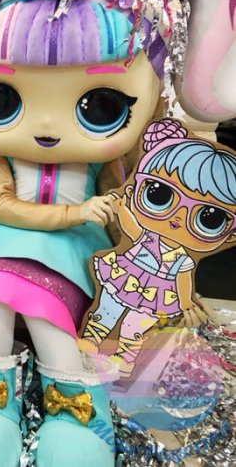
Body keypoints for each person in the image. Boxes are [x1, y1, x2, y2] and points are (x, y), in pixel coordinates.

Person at [0, 0, 236, 466]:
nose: (47, 128)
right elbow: (3, 209)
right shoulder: (5, 161)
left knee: (50, 322)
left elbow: (123, 210)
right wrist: (75, 213)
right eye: (0, 101)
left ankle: (76, 418)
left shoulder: (105, 165)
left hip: (70, 255)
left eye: (102, 107)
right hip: (0, 246)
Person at [81, 119, 236, 377]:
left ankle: (123, 361)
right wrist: (121, 204)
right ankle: (88, 345)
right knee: (105, 313)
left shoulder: (183, 259)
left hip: (158, 294)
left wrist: (187, 305)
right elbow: (130, 227)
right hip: (123, 276)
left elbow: (184, 281)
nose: (177, 219)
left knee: (134, 329)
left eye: (209, 218)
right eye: (159, 194)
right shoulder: (144, 236)